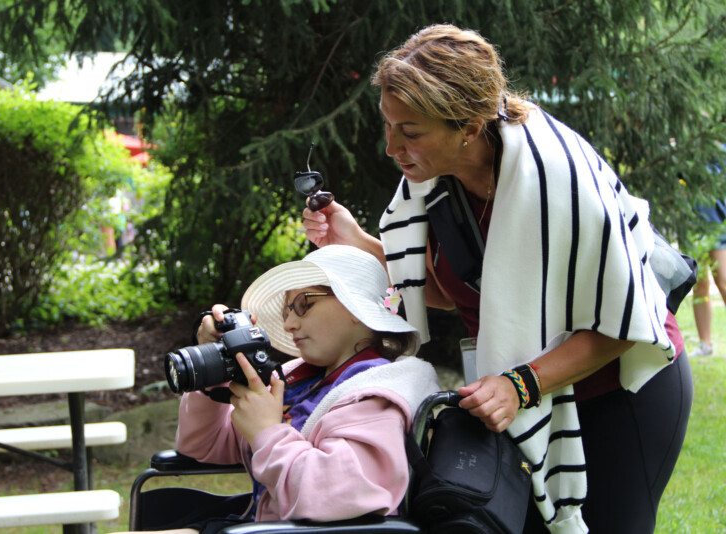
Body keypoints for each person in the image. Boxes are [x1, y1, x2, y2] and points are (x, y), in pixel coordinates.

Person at [302, 24, 693, 534]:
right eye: (388, 124)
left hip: (616, 391)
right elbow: (442, 293)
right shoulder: (435, 178)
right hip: (515, 392)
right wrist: (358, 242)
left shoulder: (561, 181)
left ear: (467, 125)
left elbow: (625, 323)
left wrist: (520, 385)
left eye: (410, 131)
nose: (391, 146)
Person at [121, 244, 440, 534]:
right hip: (258, 525)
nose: (288, 324)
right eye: (288, 309)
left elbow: (343, 497)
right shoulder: (302, 379)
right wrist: (216, 372)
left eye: (303, 304)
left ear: (356, 307)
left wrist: (268, 433)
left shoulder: (373, 395)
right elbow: (202, 447)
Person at [690, 199, 726, 357]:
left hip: (718, 224)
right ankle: (705, 344)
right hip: (692, 226)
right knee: (699, 286)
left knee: (723, 281)